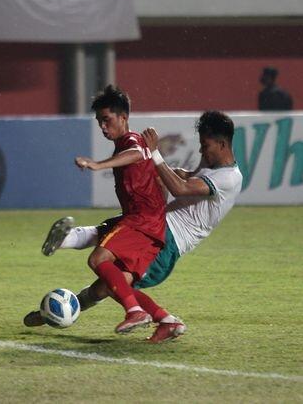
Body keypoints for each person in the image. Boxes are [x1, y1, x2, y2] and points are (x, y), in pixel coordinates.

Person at [30, 111, 242, 343]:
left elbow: (181, 189)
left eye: (205, 145)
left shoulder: (229, 178)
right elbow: (190, 178)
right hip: (155, 222)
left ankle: (159, 318)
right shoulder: (213, 164)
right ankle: (65, 250)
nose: (201, 150)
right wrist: (173, 172)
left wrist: (155, 154)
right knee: (110, 270)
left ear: (222, 144)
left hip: (168, 240)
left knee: (107, 284)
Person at [36, 85, 172, 335]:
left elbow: (136, 153)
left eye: (107, 120)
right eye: (99, 121)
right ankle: (166, 319)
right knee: (112, 282)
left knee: (98, 259)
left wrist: (97, 165)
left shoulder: (132, 142)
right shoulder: (125, 145)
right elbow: (155, 176)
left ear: (124, 118)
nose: (102, 126)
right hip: (145, 220)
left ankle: (135, 312)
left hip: (141, 221)